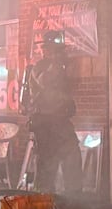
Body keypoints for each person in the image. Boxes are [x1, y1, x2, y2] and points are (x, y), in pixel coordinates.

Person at [21, 30, 82, 194]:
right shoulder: (39, 68)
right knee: (47, 164)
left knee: (72, 157)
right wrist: (56, 64)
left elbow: (70, 89)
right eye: (56, 50)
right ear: (46, 50)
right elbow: (45, 82)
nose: (59, 54)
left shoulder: (62, 68)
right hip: (46, 125)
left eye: (60, 50)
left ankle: (75, 198)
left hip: (61, 122)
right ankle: (43, 199)